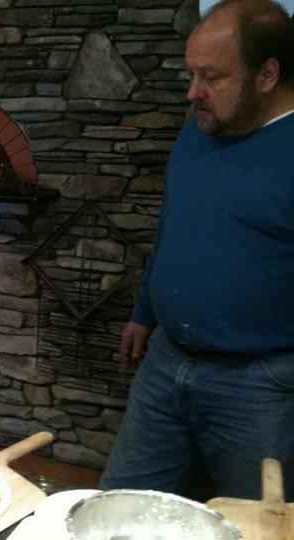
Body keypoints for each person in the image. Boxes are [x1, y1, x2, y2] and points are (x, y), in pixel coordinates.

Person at [99, 0, 294, 501]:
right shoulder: (200, 126)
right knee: (118, 508)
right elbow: (173, 223)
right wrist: (144, 310)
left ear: (267, 75)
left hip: (261, 382)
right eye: (191, 74)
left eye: (211, 76)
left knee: (255, 527)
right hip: (167, 360)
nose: (193, 92)